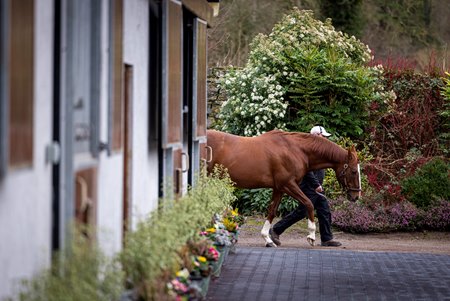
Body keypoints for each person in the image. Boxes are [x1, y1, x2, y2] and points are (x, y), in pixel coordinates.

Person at [269, 126, 342, 247]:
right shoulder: (308, 149)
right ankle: (275, 230)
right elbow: (307, 170)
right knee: (302, 211)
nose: (325, 139)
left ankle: (326, 239)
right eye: (323, 136)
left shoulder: (319, 150)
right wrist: (316, 184)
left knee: (324, 210)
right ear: (316, 135)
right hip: (308, 186)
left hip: (316, 187)